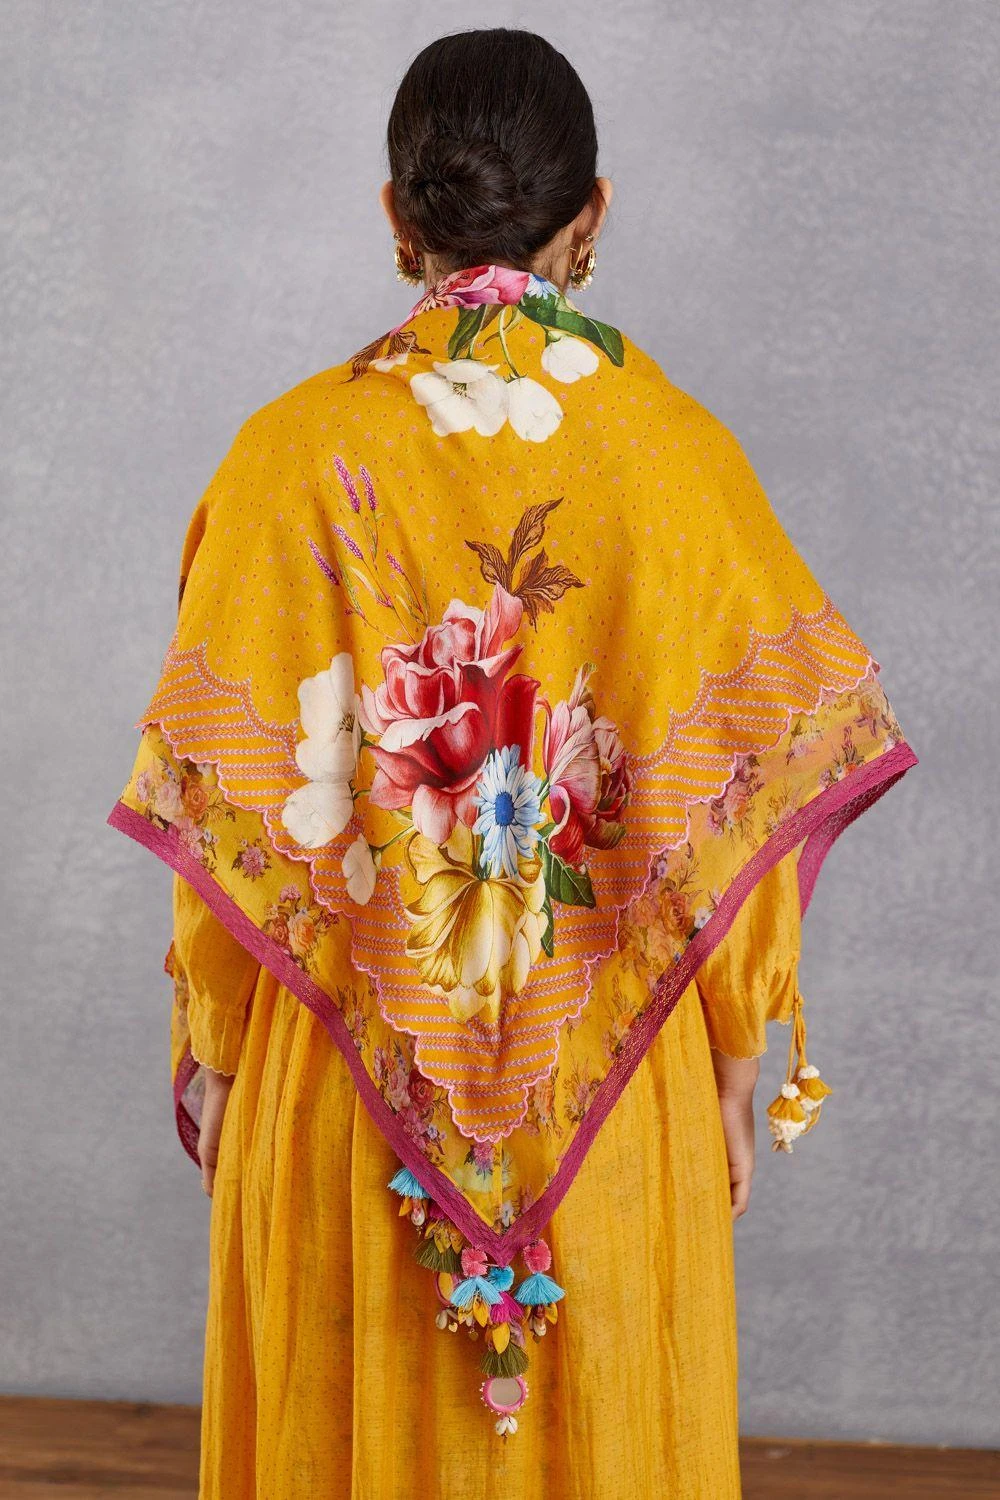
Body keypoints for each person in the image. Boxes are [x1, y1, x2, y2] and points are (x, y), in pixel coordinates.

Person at [108, 26, 917, 1499]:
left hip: (344, 1069)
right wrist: (738, 1056)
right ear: (590, 213)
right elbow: (745, 788)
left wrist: (218, 1051)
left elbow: (232, 809)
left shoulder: (282, 458)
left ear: (396, 215)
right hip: (610, 1082)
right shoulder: (681, 462)